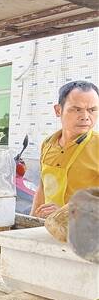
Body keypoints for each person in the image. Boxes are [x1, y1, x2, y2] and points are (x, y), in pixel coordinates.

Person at [31, 81, 99, 218]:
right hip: (48, 227)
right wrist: (31, 220)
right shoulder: (48, 144)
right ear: (58, 110)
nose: (85, 117)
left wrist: (65, 213)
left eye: (92, 110)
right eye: (77, 109)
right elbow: (43, 188)